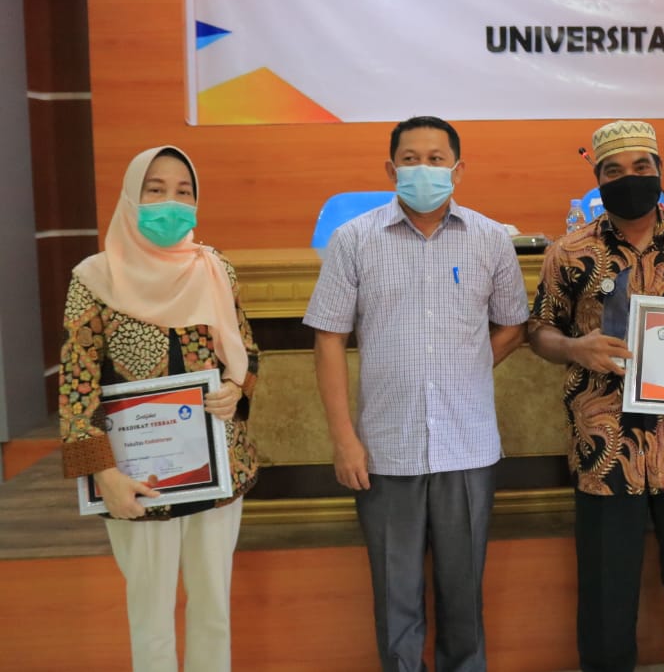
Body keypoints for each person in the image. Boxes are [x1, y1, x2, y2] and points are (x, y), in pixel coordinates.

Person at [304, 116, 528, 672]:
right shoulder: (354, 240)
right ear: (391, 169)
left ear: (458, 169)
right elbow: (328, 339)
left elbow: (514, 324)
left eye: (435, 158)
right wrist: (344, 440)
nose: (422, 169)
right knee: (394, 594)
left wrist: (469, 363)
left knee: (463, 597)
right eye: (410, 159)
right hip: (385, 448)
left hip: (468, 446)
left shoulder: (490, 239)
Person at [528, 120, 664, 672]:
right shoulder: (568, 251)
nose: (630, 177)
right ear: (598, 180)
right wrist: (575, 348)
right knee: (606, 595)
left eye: (641, 166)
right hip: (605, 445)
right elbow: (539, 331)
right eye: (614, 171)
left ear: (660, 171)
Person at [58, 146, 258, 672]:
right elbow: (77, 389)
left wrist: (237, 390)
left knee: (213, 610)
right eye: (155, 190)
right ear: (131, 197)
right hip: (135, 476)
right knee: (150, 618)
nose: (171, 203)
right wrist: (103, 475)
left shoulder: (215, 268)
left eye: (183, 192)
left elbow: (247, 352)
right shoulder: (94, 278)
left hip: (216, 468)